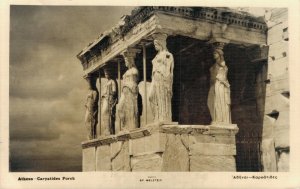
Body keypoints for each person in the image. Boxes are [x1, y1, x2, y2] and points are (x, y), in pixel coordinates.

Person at [149, 33, 174, 122]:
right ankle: (157, 116)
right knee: (151, 96)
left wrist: (166, 81)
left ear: (161, 43)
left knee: (162, 97)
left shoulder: (168, 55)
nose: (155, 46)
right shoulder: (156, 56)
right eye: (154, 44)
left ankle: (163, 117)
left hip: (162, 78)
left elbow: (169, 69)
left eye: (156, 44)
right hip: (155, 78)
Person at [207, 47, 231, 124]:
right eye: (213, 53)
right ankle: (216, 118)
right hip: (214, 84)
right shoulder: (215, 64)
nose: (214, 55)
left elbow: (224, 75)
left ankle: (219, 119)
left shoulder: (222, 64)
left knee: (218, 101)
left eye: (215, 53)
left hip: (219, 84)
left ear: (219, 54)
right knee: (210, 102)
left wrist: (221, 80)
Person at [116, 51, 139, 131]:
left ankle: (132, 126)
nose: (126, 62)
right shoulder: (126, 72)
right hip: (124, 92)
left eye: (127, 60)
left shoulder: (134, 70)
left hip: (130, 91)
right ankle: (125, 125)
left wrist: (128, 86)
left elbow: (135, 82)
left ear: (131, 60)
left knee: (131, 108)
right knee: (120, 108)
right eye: (125, 60)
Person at [101, 68, 117, 135]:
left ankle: (109, 130)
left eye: (107, 73)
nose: (106, 75)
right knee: (103, 113)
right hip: (104, 99)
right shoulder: (106, 83)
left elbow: (114, 91)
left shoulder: (112, 81)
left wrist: (110, 96)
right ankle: (106, 129)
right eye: (105, 74)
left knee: (107, 112)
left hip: (109, 99)